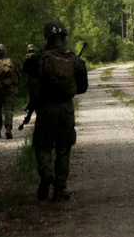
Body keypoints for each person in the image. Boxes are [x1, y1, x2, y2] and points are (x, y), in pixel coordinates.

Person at [21, 21, 88, 202]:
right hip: (66, 110)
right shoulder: (75, 60)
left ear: (47, 37)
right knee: (64, 148)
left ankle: (46, 172)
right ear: (64, 38)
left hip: (45, 108)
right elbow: (83, 88)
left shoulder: (39, 58)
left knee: (42, 145)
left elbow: (25, 70)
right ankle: (59, 188)